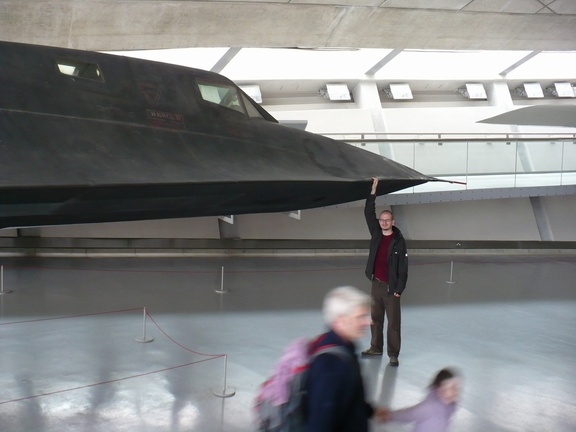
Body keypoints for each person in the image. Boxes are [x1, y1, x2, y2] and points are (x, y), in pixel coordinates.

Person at [306, 286, 387, 431]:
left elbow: (349, 397)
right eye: (360, 317)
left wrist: (370, 411)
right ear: (340, 321)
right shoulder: (330, 364)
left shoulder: (345, 348)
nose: (368, 322)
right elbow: (321, 420)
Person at [361, 177, 408, 366]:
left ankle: (393, 354)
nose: (384, 223)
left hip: (391, 288)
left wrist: (399, 288)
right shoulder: (376, 233)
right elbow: (367, 212)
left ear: (392, 221)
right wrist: (373, 190)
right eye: (382, 220)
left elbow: (404, 267)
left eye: (387, 220)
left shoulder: (398, 240)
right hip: (376, 283)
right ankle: (375, 347)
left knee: (394, 324)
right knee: (375, 319)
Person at [384, 368, 461, 432]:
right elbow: (408, 414)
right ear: (440, 389)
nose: (455, 391)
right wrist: (390, 415)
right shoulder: (429, 407)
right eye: (451, 388)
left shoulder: (450, 405)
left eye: (456, 387)